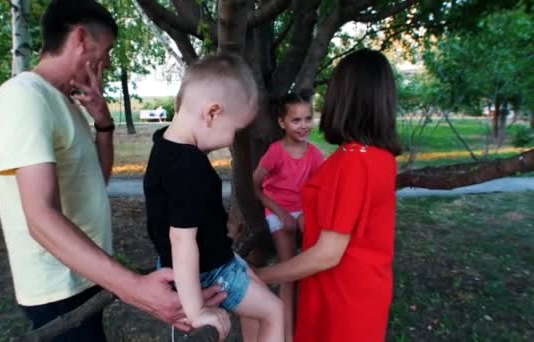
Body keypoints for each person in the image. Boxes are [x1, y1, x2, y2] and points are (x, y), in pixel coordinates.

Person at [0, 1, 225, 340]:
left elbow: (94, 183)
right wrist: (134, 288)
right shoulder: (24, 96)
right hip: (56, 286)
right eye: (108, 49)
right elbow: (39, 217)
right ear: (82, 38)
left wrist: (102, 123)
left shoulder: (65, 103)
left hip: (84, 274)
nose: (109, 62)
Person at [257, 48, 403, 341]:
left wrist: (260, 277)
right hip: (363, 292)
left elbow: (327, 254)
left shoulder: (354, 161)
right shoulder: (380, 156)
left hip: (341, 300)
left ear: (345, 98)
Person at [143, 53, 284, 341]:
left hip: (202, 259)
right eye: (235, 130)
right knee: (275, 311)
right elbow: (182, 240)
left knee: (256, 291)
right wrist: (196, 310)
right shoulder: (189, 168)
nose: (232, 139)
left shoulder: (163, 145)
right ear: (212, 113)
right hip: (207, 270)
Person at [252, 92, 324, 340]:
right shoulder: (275, 152)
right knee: (289, 271)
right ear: (282, 122)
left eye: (308, 118)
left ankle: (310, 323)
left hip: (302, 208)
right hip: (277, 208)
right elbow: (256, 185)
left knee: (314, 262)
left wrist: (307, 215)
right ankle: (287, 335)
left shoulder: (314, 154)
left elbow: (318, 189)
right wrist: (280, 211)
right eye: (296, 120)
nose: (303, 125)